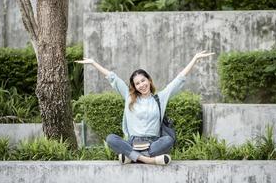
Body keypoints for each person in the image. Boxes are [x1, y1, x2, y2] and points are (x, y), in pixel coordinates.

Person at [75, 51, 214, 165]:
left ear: (149, 80)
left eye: (143, 81)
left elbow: (178, 80)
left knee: (168, 140)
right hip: (133, 142)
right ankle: (148, 160)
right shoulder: (129, 97)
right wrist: (93, 63)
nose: (141, 85)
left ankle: (131, 157)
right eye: (137, 83)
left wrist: (194, 59)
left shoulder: (160, 98)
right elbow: (112, 78)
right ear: (134, 87)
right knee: (111, 138)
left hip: (153, 144)